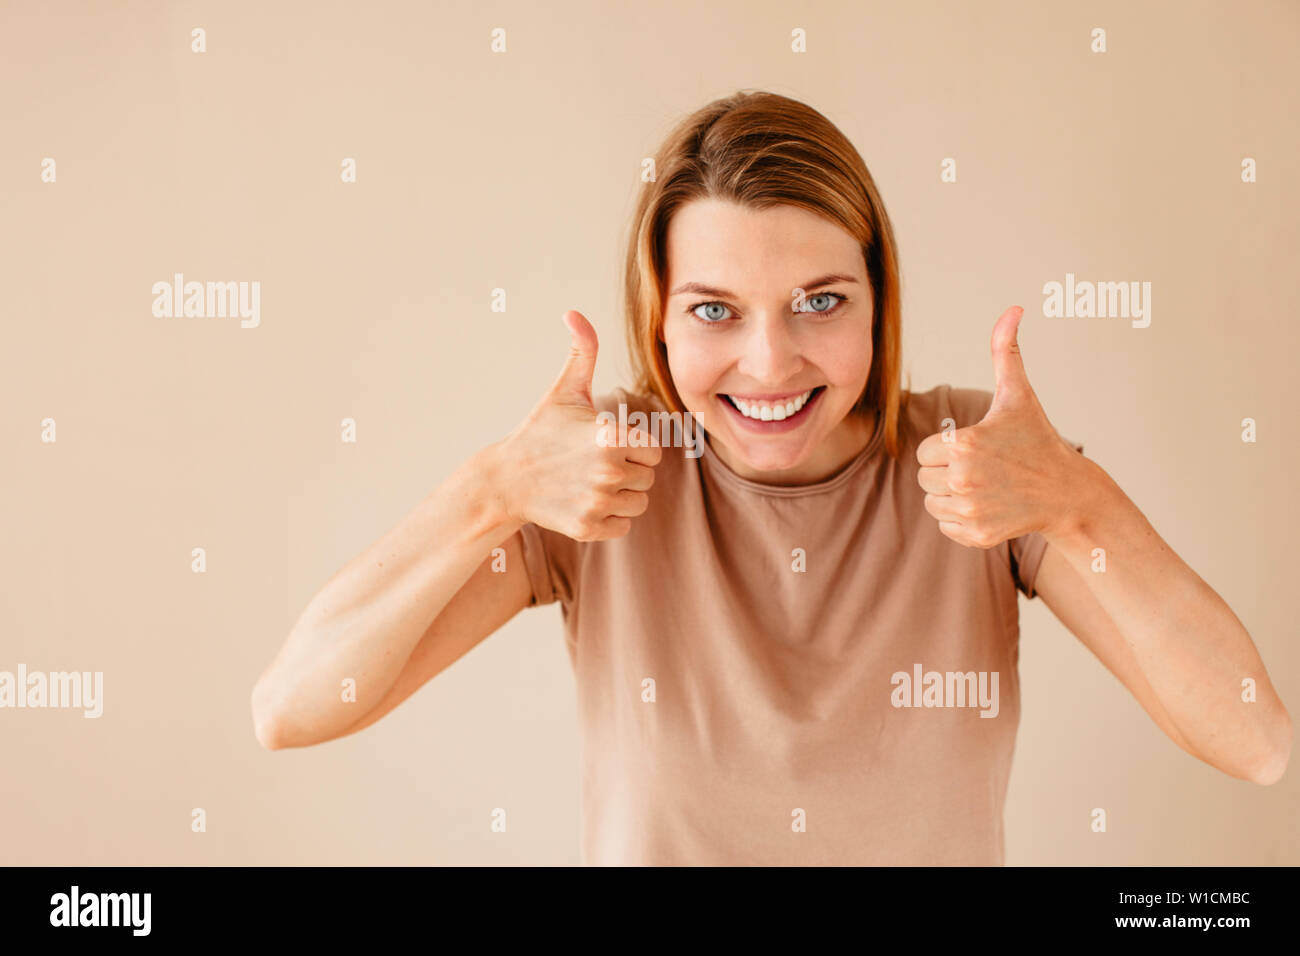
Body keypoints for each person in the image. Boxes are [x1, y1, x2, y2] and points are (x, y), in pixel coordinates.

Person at [251, 90, 1291, 865]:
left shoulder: (978, 462)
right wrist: (492, 489)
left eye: (820, 300)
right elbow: (290, 707)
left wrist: (1077, 497)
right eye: (713, 309)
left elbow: (1256, 741)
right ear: (655, 314)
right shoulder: (603, 474)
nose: (769, 362)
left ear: (879, 300)